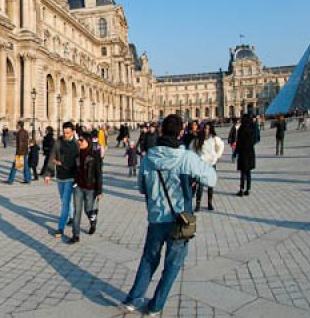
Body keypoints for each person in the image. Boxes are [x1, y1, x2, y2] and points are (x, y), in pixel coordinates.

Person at [121, 114, 217, 315]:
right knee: (172, 265)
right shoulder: (187, 158)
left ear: (162, 131)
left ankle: (133, 300)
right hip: (180, 221)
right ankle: (155, 306)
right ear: (181, 132)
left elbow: (141, 187)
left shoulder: (148, 158)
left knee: (149, 259)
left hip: (156, 217)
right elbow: (212, 179)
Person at [43, 121, 79, 239]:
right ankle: (72, 217)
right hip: (60, 177)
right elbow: (52, 156)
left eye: (68, 133)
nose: (66, 135)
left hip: (71, 177)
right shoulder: (58, 142)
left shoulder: (77, 144)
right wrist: (48, 173)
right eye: (64, 133)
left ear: (73, 132)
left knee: (64, 203)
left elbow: (79, 162)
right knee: (65, 200)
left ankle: (60, 228)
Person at [70, 131, 103, 244]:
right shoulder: (77, 154)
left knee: (88, 210)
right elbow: (74, 169)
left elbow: (98, 173)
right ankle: (76, 235)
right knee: (77, 211)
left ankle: (93, 221)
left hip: (90, 188)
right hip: (78, 187)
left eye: (81, 140)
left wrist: (99, 190)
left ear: (87, 141)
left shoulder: (95, 155)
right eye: (79, 140)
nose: (79, 142)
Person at [192, 123, 224, 211]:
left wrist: (217, 156)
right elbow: (192, 148)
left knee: (211, 184)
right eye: (205, 128)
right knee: (200, 184)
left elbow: (221, 146)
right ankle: (198, 204)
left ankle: (209, 203)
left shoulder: (214, 138)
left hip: (211, 164)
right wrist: (196, 158)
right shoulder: (199, 138)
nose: (207, 130)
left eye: (208, 129)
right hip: (202, 164)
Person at [235, 114, 256, 196]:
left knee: (242, 173)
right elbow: (254, 140)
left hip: (243, 153)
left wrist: (236, 151)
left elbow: (238, 142)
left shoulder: (241, 129)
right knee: (248, 172)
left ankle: (241, 189)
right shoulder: (252, 129)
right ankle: (248, 189)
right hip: (250, 153)